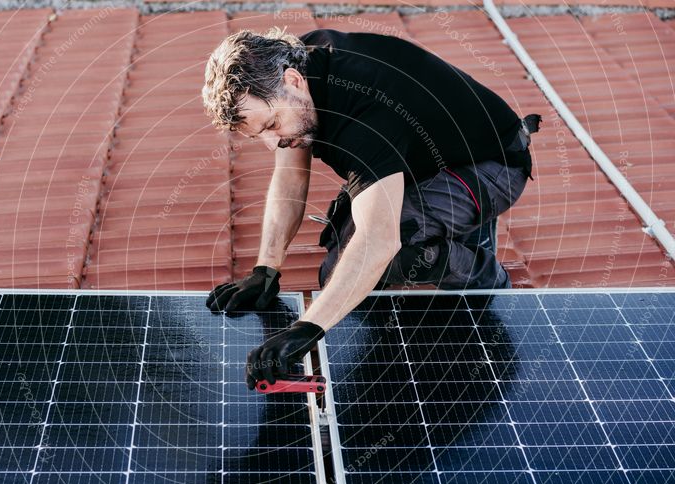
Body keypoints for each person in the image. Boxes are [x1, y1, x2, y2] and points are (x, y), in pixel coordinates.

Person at [201, 27, 541, 389]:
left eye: (272, 125)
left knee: (385, 258)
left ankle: (481, 270)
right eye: (260, 135)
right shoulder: (293, 67)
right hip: (418, 163)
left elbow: (378, 242)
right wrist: (266, 269)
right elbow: (290, 179)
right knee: (338, 271)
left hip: (489, 166)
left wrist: (306, 329)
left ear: (294, 81)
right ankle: (449, 222)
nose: (273, 143)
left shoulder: (365, 112)